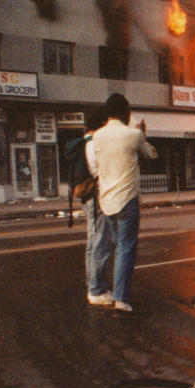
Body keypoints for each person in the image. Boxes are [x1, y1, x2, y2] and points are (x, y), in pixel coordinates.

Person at [91, 93, 157, 314]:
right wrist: (144, 135)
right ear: (125, 112)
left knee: (117, 247)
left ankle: (112, 293)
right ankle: (121, 299)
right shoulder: (134, 134)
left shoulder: (97, 137)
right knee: (126, 249)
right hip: (127, 199)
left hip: (106, 200)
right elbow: (150, 155)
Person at [75, 108, 115, 306]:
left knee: (93, 243)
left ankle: (93, 286)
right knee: (100, 243)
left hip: (88, 196)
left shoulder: (85, 142)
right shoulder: (96, 144)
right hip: (97, 194)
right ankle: (97, 291)